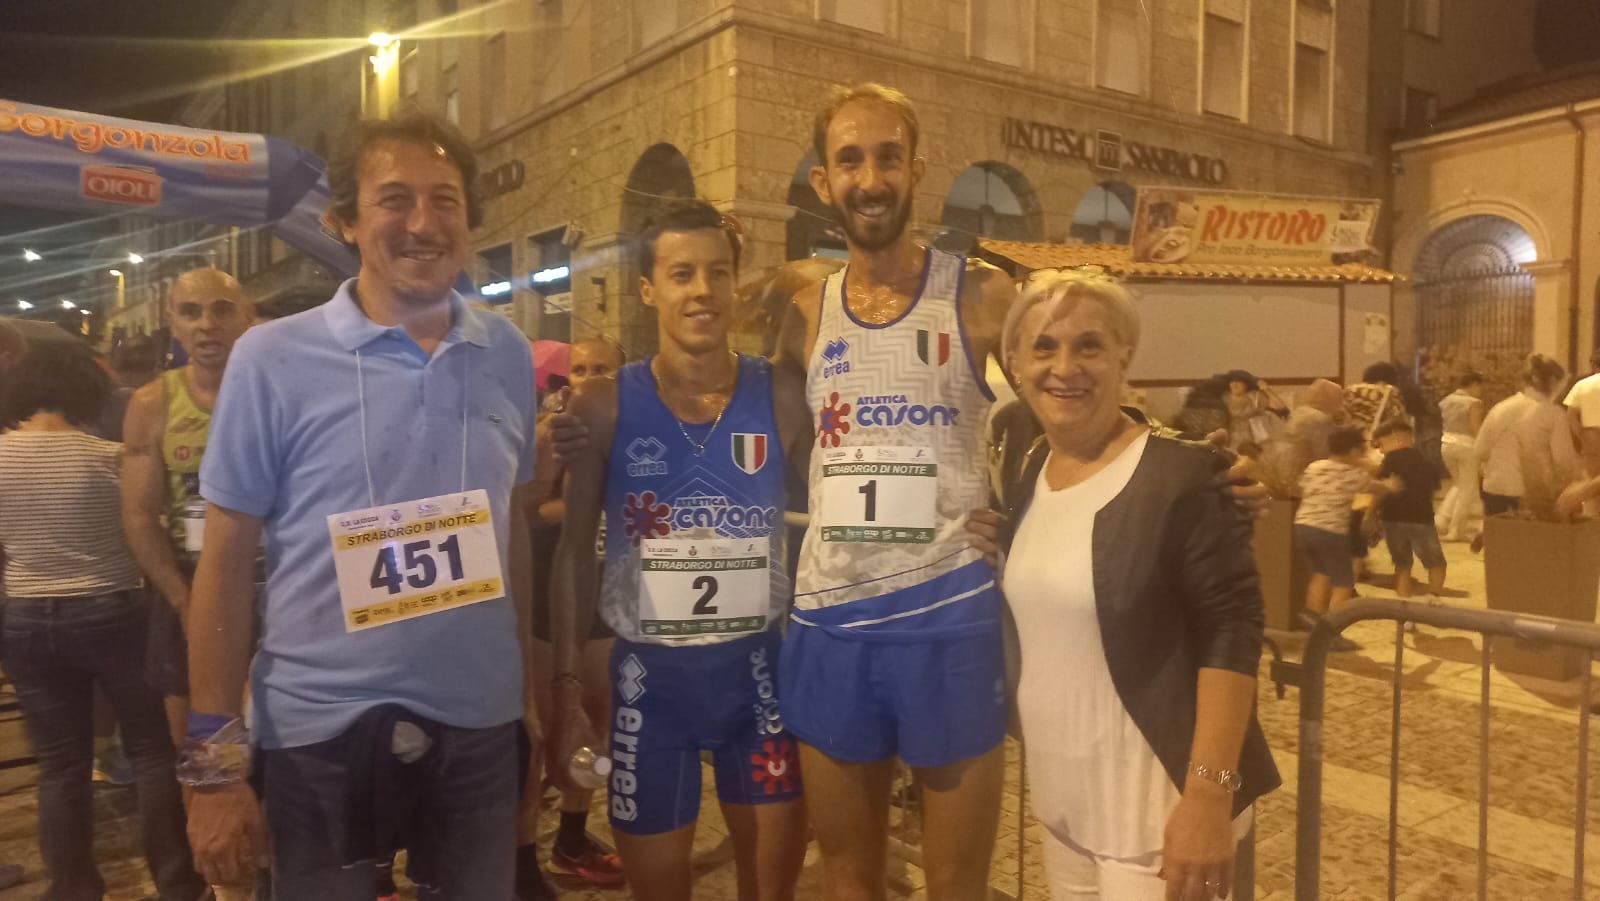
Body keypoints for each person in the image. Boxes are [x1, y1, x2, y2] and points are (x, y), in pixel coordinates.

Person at [767, 84, 1267, 900]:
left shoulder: (980, 295)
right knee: (848, 876)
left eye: (889, 157)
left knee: (955, 884)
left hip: (948, 620)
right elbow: (776, 432)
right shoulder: (801, 310)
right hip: (831, 622)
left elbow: (1063, 379)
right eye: (850, 160)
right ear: (823, 181)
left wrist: (1177, 461)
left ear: (916, 169)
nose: (871, 179)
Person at [181, 112, 541, 899]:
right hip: (320, 730)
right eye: (394, 199)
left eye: (445, 200)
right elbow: (225, 561)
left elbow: (509, 528)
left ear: (470, 221)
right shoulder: (271, 357)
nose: (423, 223)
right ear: (343, 221)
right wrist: (212, 763)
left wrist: (527, 697)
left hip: (478, 721)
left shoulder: (508, 352)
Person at [551, 202, 810, 901]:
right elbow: (573, 554)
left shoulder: (784, 395)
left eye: (718, 273)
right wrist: (568, 690)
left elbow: (846, 488)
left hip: (758, 683)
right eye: (682, 273)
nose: (702, 290)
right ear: (648, 289)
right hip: (650, 690)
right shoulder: (602, 404)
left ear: (736, 286)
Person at [996, 269, 1277, 900]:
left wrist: (1209, 797)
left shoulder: (1184, 474)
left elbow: (1232, 633)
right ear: (1016, 363)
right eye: (1044, 347)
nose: (1064, 367)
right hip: (1065, 805)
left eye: (1089, 346)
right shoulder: (1032, 467)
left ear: (1124, 356)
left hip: (1159, 813)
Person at [0, 341, 205, 901]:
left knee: (60, 764)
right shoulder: (108, 458)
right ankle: (177, 883)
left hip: (24, 616)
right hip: (113, 609)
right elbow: (145, 529)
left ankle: (73, 886)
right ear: (88, 389)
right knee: (151, 751)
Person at [121, 268, 255, 750]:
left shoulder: (278, 390)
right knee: (202, 749)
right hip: (189, 580)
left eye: (222, 310)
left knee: (278, 744)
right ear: (173, 323)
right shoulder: (153, 402)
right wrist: (182, 599)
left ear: (246, 317)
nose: (206, 325)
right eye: (191, 312)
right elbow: (138, 515)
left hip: (270, 580)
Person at [518, 335, 628, 897]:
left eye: (601, 369)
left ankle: (571, 839)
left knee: (595, 729)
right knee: (540, 736)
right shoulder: (549, 432)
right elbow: (526, 512)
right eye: (579, 369)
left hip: (606, 597)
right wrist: (584, 505)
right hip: (547, 598)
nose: (588, 379)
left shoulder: (629, 429)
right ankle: (521, 859)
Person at [1295, 426, 1392, 645]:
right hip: (1331, 531)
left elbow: (1302, 485)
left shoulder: (1315, 467)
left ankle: (1312, 616)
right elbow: (1375, 488)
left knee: (1321, 572)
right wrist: (1391, 485)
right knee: (1344, 581)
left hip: (1304, 527)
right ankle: (1332, 631)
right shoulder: (1353, 474)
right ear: (1354, 451)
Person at [1476, 354, 1580, 522]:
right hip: (1531, 495)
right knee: (1528, 538)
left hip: (1494, 489)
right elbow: (1563, 460)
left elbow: (1480, 450)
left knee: (1498, 537)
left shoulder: (1500, 408)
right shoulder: (1552, 414)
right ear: (1553, 381)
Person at [1373, 419, 1446, 600]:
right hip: (1421, 518)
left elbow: (1378, 489)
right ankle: (1433, 597)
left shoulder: (1388, 462)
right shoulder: (1427, 459)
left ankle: (1404, 603)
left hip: (1391, 519)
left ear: (1396, 438)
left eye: (1381, 444)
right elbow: (1435, 487)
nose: (1381, 450)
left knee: (1402, 565)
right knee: (1436, 563)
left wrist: (1370, 513)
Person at [1257, 378, 1342, 500]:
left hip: (1275, 476)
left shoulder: (1299, 413)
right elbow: (1323, 456)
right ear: (1330, 399)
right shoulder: (1319, 419)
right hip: (1297, 480)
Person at [1435, 372, 1485, 542]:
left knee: (1458, 484)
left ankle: (1441, 520)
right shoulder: (1474, 403)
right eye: (1480, 387)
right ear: (1474, 384)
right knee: (1467, 490)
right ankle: (1456, 530)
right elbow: (1475, 428)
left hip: (1446, 444)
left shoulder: (1445, 401)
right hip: (1466, 447)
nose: (1480, 391)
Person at [1222, 369, 1288, 451]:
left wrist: (1266, 389)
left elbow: (1280, 406)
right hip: (1232, 438)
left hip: (1255, 437)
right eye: (1232, 382)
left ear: (1246, 385)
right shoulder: (1224, 398)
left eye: (1239, 382)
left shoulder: (1255, 397)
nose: (1234, 385)